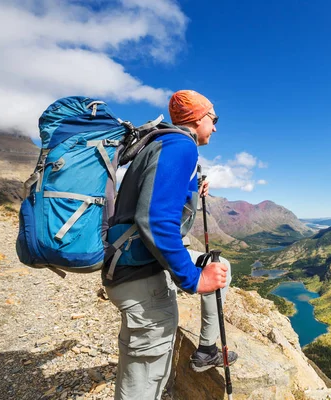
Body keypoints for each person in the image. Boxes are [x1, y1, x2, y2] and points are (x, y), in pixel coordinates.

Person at [102, 90, 238, 400]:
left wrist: (193, 184)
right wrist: (192, 280)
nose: (215, 127)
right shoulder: (181, 146)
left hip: (132, 259)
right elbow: (155, 219)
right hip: (138, 273)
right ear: (197, 119)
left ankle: (206, 349)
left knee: (221, 267)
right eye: (213, 119)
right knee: (145, 382)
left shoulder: (162, 144)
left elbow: (157, 201)